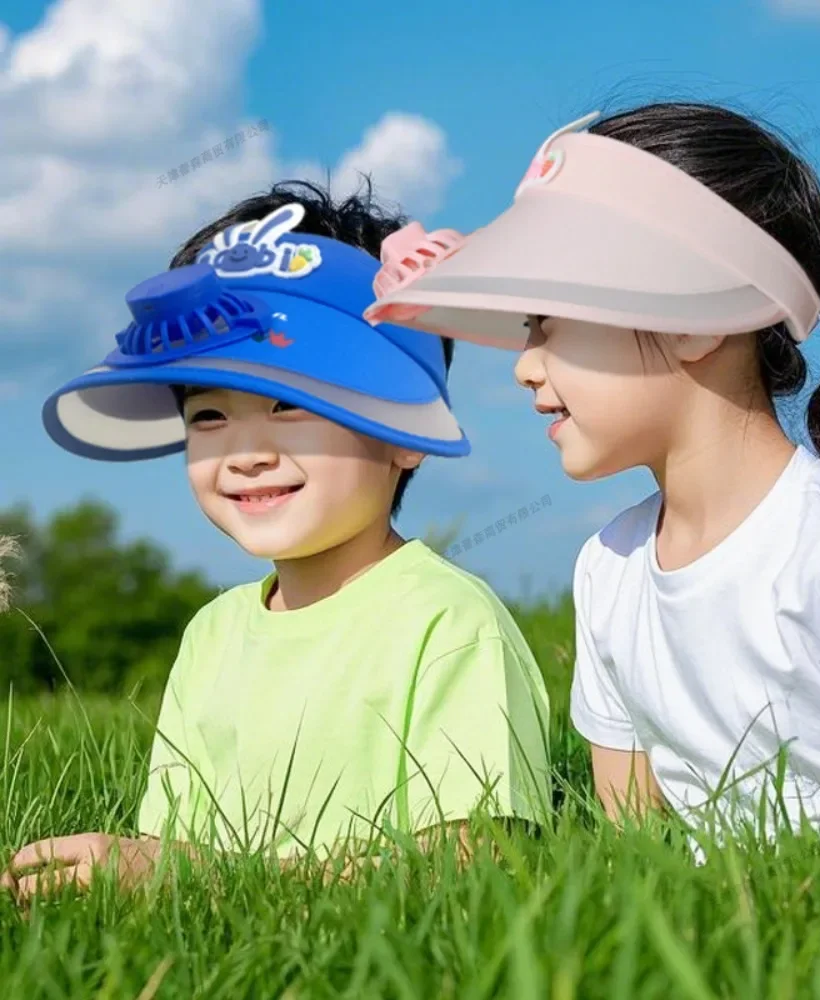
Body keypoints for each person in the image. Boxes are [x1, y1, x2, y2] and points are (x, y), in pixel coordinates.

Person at [364, 105, 820, 882]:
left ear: (701, 313)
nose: (524, 367)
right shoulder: (610, 566)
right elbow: (636, 848)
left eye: (549, 321)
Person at [3, 182, 550, 901]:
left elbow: (476, 862)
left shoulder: (447, 624)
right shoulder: (213, 634)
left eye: (290, 403)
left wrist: (194, 877)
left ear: (406, 427)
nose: (246, 452)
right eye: (206, 416)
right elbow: (179, 858)